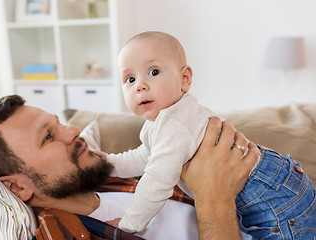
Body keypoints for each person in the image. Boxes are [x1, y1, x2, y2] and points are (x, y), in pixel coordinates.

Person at [105, 31, 316, 238]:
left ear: (185, 79)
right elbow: (144, 157)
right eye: (130, 79)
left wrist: (130, 224)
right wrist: (106, 163)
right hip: (276, 183)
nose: (140, 86)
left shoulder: (175, 124)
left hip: (272, 193)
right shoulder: (160, 124)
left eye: (153, 72)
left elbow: (157, 181)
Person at [0, 94, 258, 239]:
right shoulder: (67, 233)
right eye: (48, 137)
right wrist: (215, 199)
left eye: (58, 123)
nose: (73, 131)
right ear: (17, 186)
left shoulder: (105, 175)